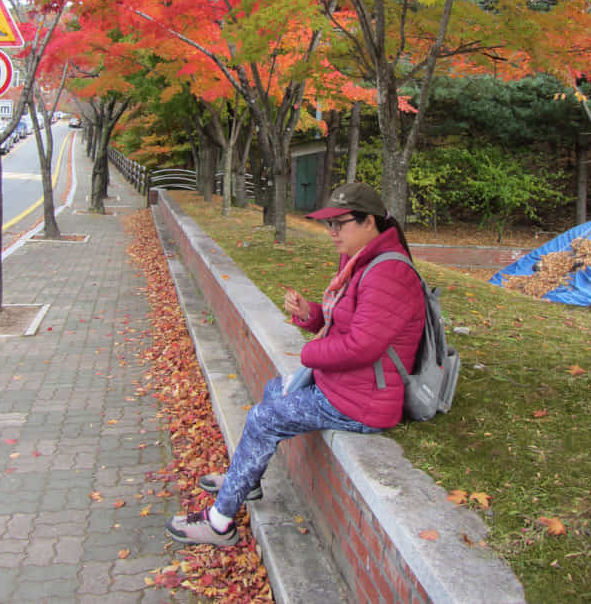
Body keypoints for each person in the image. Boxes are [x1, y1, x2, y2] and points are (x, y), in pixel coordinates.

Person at [166, 181, 425, 547]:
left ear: (370, 222)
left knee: (262, 418)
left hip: (363, 402)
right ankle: (246, 479)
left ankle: (218, 522)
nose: (332, 232)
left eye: (341, 223)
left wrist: (308, 354)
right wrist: (310, 316)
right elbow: (345, 322)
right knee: (274, 391)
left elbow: (362, 347)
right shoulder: (360, 260)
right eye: (328, 225)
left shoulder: (388, 273)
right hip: (345, 385)